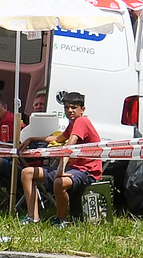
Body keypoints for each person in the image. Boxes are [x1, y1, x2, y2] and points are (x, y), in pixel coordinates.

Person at [19, 92, 103, 225]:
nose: (70, 111)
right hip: (73, 168)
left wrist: (60, 169)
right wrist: (31, 139)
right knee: (27, 173)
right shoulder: (73, 124)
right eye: (67, 107)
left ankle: (60, 220)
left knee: (60, 182)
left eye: (74, 107)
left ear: (83, 110)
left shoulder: (82, 121)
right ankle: (32, 218)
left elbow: (69, 146)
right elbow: (59, 139)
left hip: (87, 171)